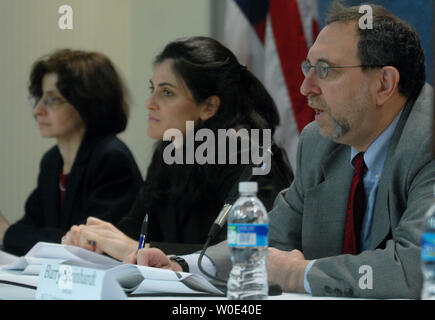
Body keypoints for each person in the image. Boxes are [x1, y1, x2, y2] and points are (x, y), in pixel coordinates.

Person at [130, 3, 435, 299]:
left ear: (384, 84)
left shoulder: (428, 142)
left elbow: (414, 268)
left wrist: (297, 273)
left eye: (325, 70)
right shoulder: (320, 143)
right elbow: (270, 236)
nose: (306, 88)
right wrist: (186, 265)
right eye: (308, 68)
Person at [62, 37, 293, 260]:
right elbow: (134, 231)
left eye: (167, 92)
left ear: (209, 106)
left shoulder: (249, 156)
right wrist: (96, 241)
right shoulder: (170, 151)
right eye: (152, 89)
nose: (149, 103)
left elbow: (242, 252)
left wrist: (142, 249)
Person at [0, 49, 143, 256]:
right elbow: (30, 226)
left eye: (51, 100)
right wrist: (11, 234)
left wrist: (7, 234)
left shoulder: (111, 158)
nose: (37, 110)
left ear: (86, 102)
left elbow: (84, 245)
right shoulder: (52, 161)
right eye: (39, 98)